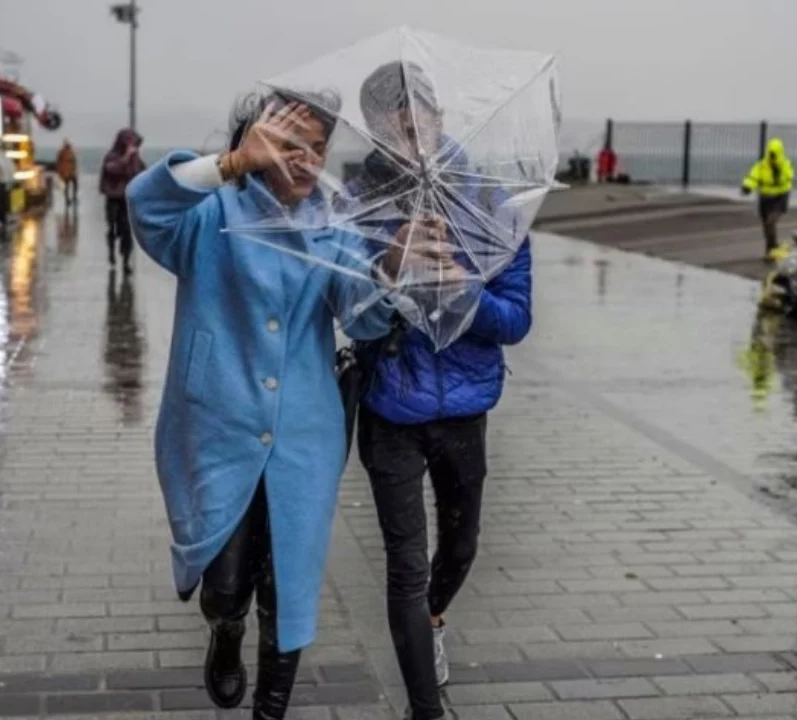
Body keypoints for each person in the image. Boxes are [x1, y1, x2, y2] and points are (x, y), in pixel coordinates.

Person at [126, 93, 428, 720]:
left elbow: (364, 319)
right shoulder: (212, 215)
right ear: (258, 141)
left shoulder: (333, 226)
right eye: (291, 144)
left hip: (303, 435)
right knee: (228, 580)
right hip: (217, 420)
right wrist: (233, 162)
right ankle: (225, 631)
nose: (307, 159)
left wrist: (392, 271)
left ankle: (272, 709)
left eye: (318, 148)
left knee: (286, 585)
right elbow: (146, 208)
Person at [348, 62, 533, 720]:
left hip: (464, 409)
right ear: (374, 128)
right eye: (389, 114)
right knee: (405, 562)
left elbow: (516, 321)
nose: (405, 122)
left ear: (436, 115)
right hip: (389, 406)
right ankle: (425, 709)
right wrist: (388, 267)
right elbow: (350, 315)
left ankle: (432, 621)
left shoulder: (488, 202)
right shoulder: (359, 200)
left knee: (460, 546)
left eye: (415, 108)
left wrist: (462, 291)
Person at [741, 138, 794, 260]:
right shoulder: (761, 165)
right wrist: (747, 187)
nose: (772, 156)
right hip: (765, 197)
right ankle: (769, 250)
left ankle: (773, 247)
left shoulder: (786, 164)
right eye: (770, 153)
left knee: (771, 222)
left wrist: (778, 167)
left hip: (780, 197)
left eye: (774, 153)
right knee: (766, 225)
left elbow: (789, 176)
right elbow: (753, 176)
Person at [101, 129, 146, 269]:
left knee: (127, 230)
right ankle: (111, 251)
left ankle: (126, 260)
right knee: (112, 227)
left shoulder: (135, 158)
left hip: (127, 199)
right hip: (113, 197)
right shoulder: (112, 156)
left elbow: (141, 173)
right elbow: (111, 169)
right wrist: (126, 157)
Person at [56, 139, 79, 207]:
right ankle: (67, 200)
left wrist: (75, 170)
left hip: (71, 172)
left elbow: (75, 161)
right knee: (66, 186)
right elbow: (58, 162)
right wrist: (60, 172)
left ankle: (74, 197)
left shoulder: (72, 151)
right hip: (65, 172)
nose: (68, 145)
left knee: (75, 184)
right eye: (67, 144)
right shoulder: (61, 152)